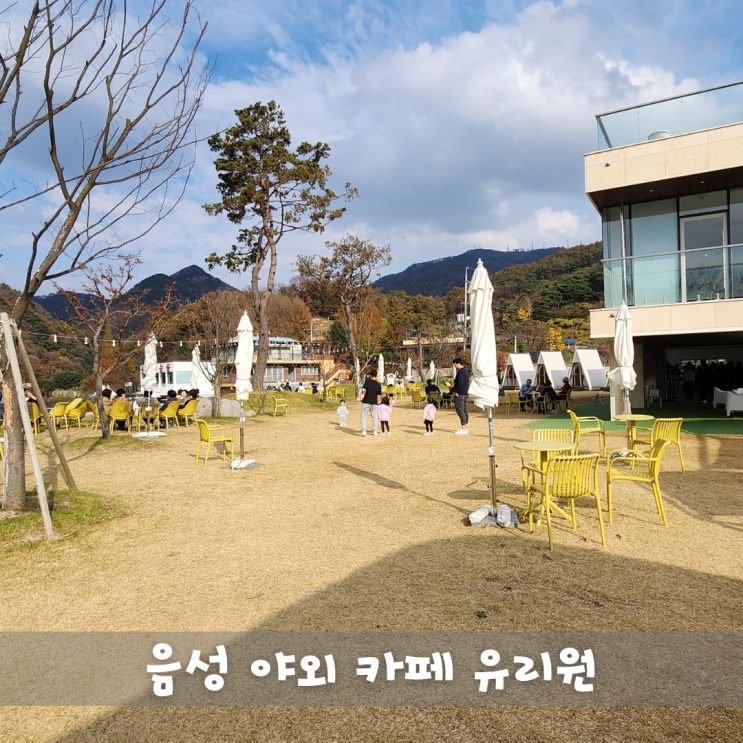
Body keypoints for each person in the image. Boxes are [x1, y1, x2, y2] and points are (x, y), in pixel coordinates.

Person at [359, 369, 382, 437]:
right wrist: (378, 403)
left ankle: (364, 431)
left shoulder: (367, 382)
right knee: (374, 417)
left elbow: (363, 390)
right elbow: (379, 395)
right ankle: (375, 431)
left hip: (366, 401)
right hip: (374, 402)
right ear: (376, 376)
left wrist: (362, 392)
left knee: (363, 416)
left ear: (370, 375)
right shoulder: (378, 385)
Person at [452, 357, 470, 435]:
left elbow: (460, 383)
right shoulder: (466, 371)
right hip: (465, 393)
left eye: (455, 365)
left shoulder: (460, 372)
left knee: (460, 411)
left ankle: (463, 428)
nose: (455, 366)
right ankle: (465, 426)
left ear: (457, 363)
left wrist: (456, 391)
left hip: (460, 394)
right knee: (464, 410)